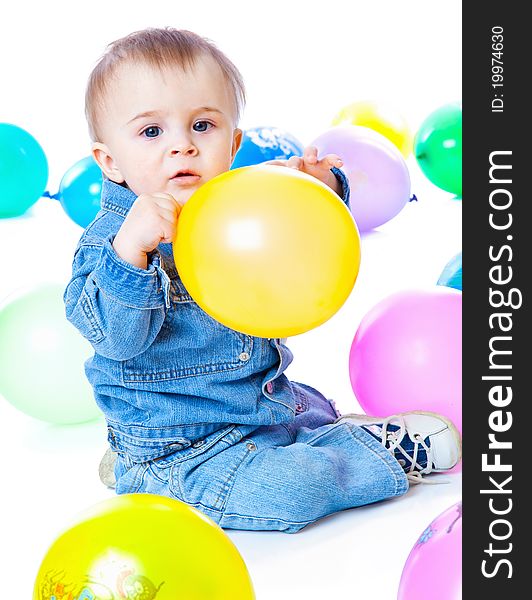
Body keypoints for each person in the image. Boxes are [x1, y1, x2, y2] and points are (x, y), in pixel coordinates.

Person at [64, 27, 461, 533]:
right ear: (110, 161)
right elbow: (115, 339)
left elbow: (293, 206)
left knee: (306, 411)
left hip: (266, 405)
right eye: (151, 133)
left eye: (202, 126)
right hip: (182, 450)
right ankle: (369, 453)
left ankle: (324, 437)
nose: (182, 147)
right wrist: (131, 255)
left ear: (232, 143)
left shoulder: (236, 201)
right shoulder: (111, 242)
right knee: (289, 493)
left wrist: (321, 186)